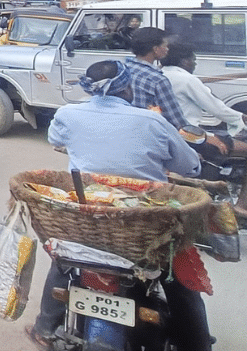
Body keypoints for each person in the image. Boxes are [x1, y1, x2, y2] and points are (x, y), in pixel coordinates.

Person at [27, 60, 208, 351]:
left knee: (64, 260)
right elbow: (190, 166)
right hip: (145, 224)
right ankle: (197, 345)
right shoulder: (152, 120)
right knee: (181, 282)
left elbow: (56, 140)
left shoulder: (67, 113)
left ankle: (45, 328)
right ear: (127, 88)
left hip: (87, 219)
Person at [160, 42, 245, 137]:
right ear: (185, 61)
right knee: (239, 147)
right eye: (193, 60)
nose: (195, 64)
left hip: (165, 130)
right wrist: (240, 117)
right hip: (187, 133)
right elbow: (215, 108)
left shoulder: (160, 74)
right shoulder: (187, 79)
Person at [123, 27, 189, 129]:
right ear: (155, 49)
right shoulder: (157, 80)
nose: (167, 49)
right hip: (150, 133)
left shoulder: (121, 70)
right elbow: (177, 121)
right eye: (165, 45)